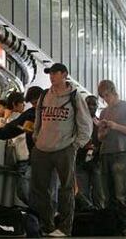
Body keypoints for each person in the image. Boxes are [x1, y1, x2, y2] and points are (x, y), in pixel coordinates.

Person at [31, 63, 92, 237]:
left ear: (64, 74)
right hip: (42, 148)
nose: (52, 76)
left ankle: (65, 228)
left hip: (65, 147)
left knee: (66, 189)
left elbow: (85, 123)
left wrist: (76, 144)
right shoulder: (44, 95)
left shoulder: (75, 96)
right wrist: (37, 137)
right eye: (50, 73)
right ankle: (47, 225)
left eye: (55, 73)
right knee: (41, 189)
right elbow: (38, 119)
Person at [97, 79, 126, 236]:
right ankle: (113, 225)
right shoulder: (103, 112)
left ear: (113, 91)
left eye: (107, 95)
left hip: (121, 152)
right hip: (105, 152)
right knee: (107, 193)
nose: (105, 99)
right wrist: (103, 132)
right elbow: (100, 137)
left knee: (122, 191)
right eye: (103, 96)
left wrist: (116, 126)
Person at [0, 86, 44, 205]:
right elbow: (11, 129)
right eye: (32, 104)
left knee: (41, 191)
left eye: (35, 103)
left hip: (48, 157)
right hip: (33, 158)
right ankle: (41, 216)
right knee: (25, 191)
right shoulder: (30, 114)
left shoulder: (52, 112)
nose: (34, 106)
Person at [75, 95, 104, 211]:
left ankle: (100, 217)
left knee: (99, 193)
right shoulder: (77, 121)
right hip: (80, 161)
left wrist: (97, 147)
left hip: (97, 161)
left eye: (94, 104)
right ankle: (87, 218)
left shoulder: (100, 123)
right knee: (83, 193)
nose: (91, 107)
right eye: (89, 104)